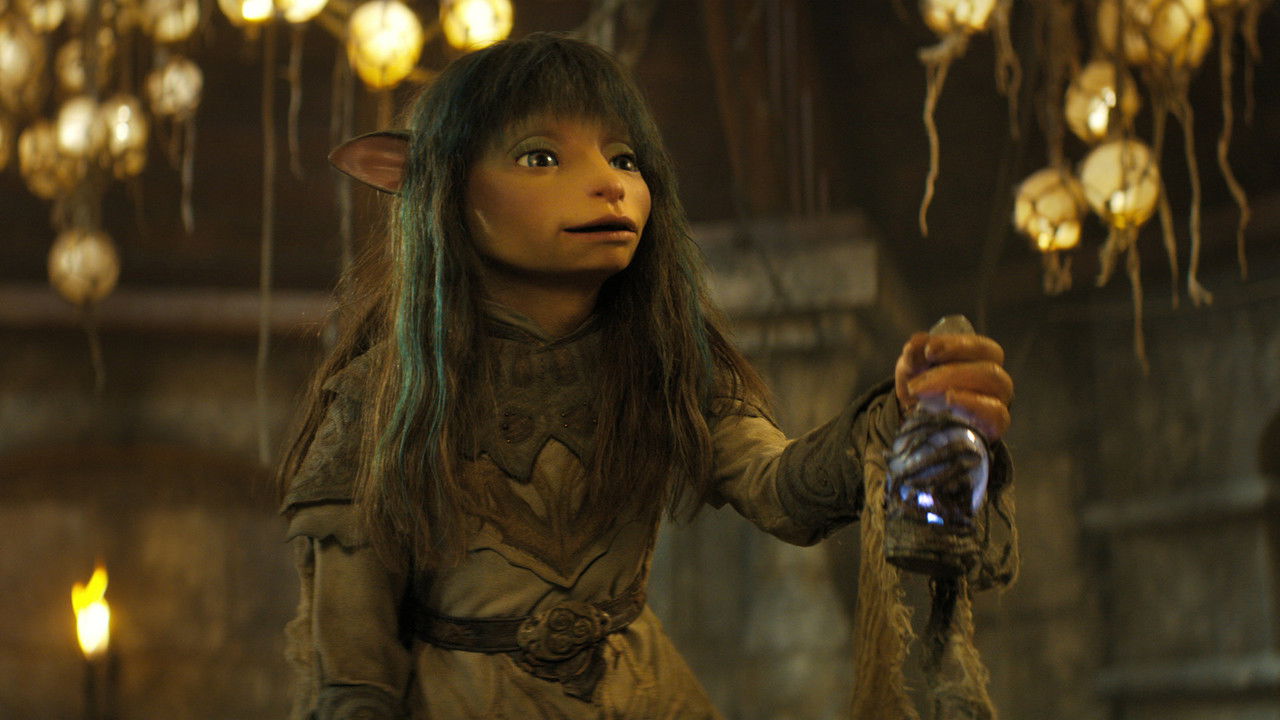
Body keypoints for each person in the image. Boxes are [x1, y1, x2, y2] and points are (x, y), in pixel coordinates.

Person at [276, 32, 1014, 720]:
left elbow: (785, 492)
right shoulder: (380, 393)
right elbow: (354, 672)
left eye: (625, 159)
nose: (610, 184)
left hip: (647, 696)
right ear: (439, 187)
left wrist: (900, 419)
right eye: (540, 156)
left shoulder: (662, 361)